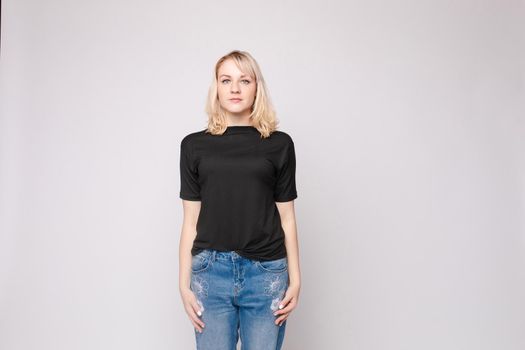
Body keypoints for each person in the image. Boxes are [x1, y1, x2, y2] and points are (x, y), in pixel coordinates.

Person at [178, 50, 301, 350]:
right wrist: (183, 283)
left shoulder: (279, 144)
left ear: (256, 87)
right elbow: (190, 220)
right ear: (216, 88)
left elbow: (287, 216)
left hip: (266, 274)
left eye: (244, 80)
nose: (235, 88)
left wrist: (296, 279)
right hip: (210, 274)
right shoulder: (193, 146)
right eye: (226, 80)